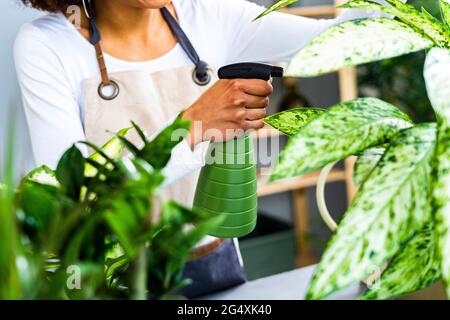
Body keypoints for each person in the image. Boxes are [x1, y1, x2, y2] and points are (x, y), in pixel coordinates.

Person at [14, 0, 387, 297]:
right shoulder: (47, 46)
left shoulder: (214, 15)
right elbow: (74, 200)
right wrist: (192, 127)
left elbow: (351, 38)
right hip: (112, 280)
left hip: (210, 265)